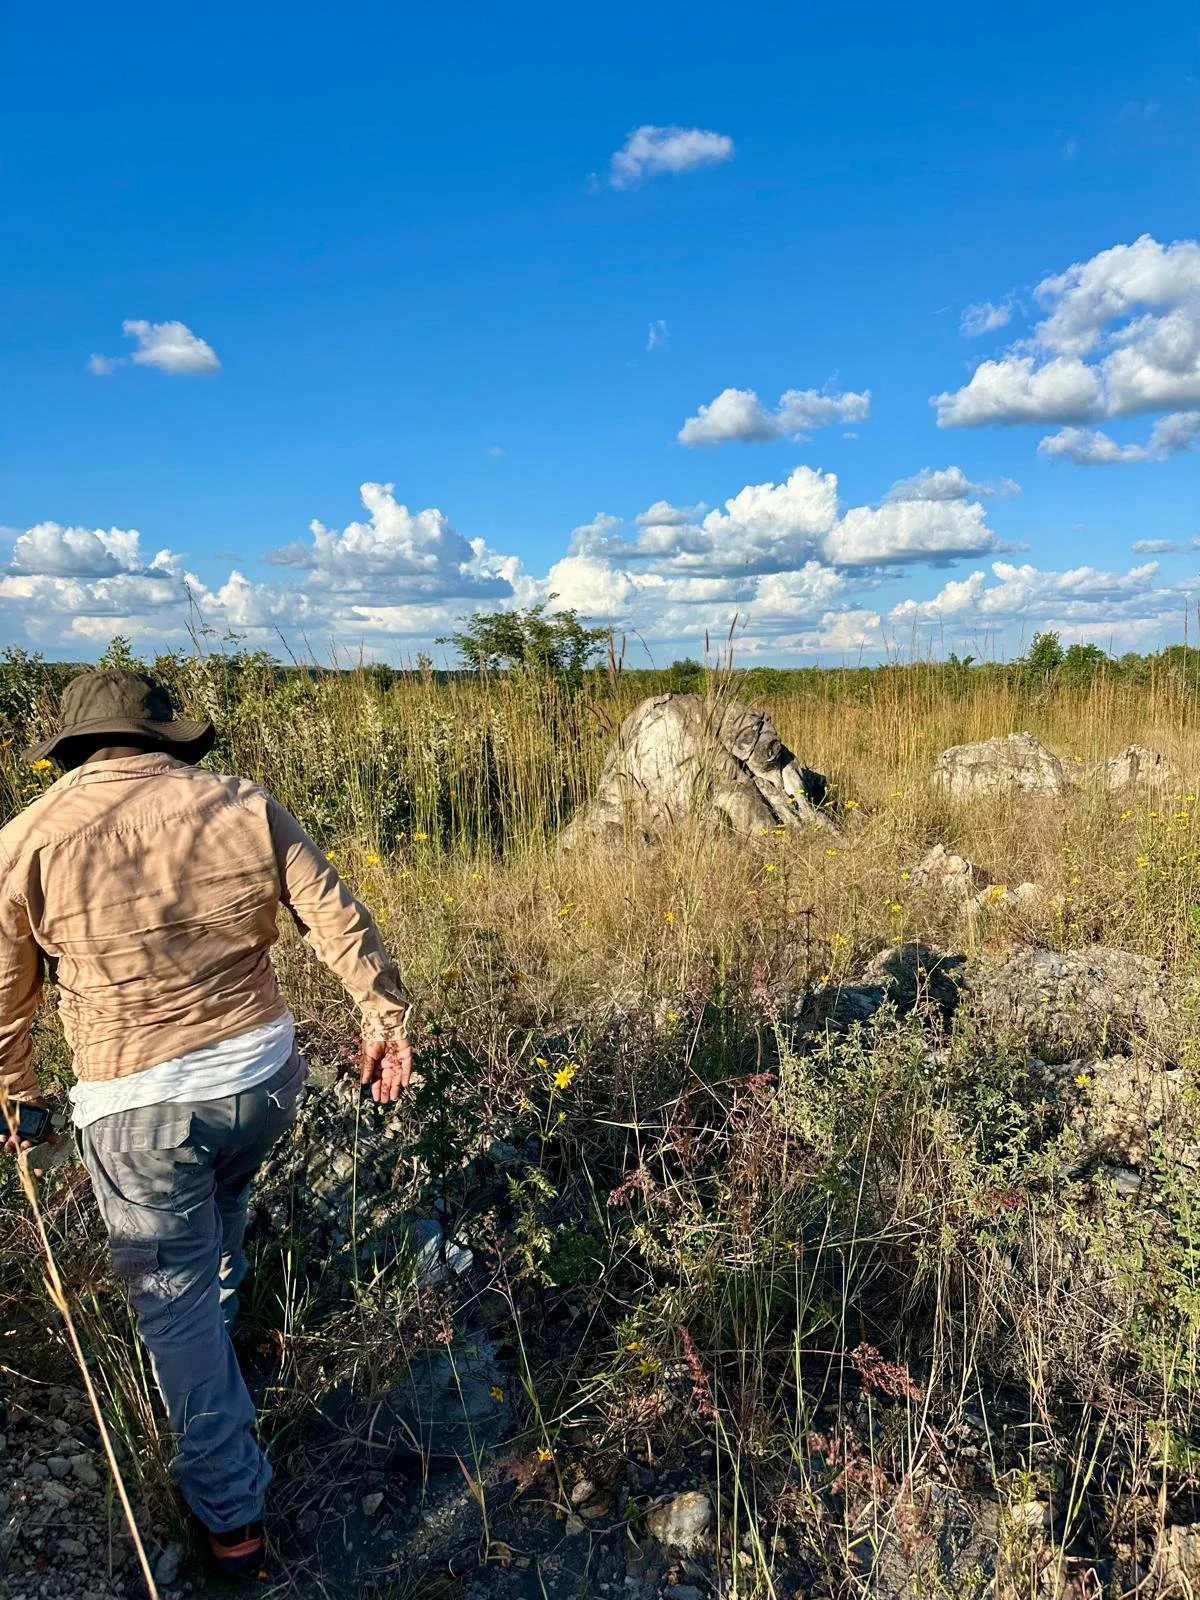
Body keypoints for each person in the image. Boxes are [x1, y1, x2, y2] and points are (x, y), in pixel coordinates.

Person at [0, 669, 413, 1576]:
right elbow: (335, 918)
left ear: (71, 750)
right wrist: (383, 1019)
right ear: (162, 739)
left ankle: (230, 1516)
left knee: (171, 1301)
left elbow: (7, 998)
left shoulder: (24, 842)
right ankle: (223, 1367)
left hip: (136, 1106)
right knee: (218, 1211)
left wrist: (15, 1094)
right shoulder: (241, 803)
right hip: (261, 1082)